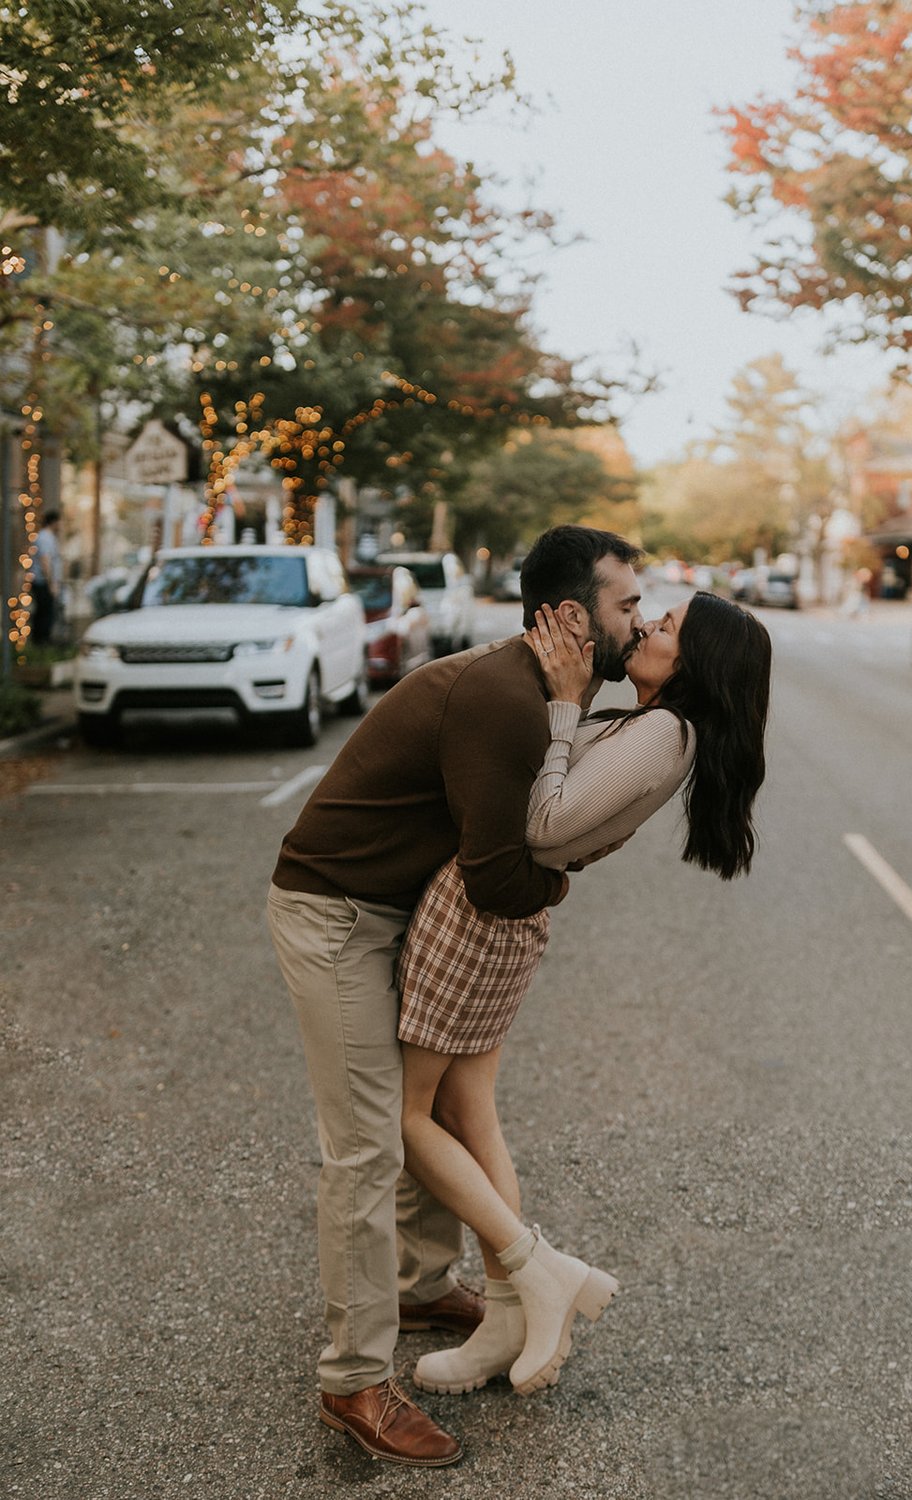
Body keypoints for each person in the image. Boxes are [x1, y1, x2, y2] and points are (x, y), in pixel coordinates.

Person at [267, 525, 644, 1467]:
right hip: (340, 912)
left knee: (422, 1107)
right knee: (366, 1142)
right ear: (570, 618)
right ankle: (354, 1382)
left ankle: (423, 1283)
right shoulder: (502, 700)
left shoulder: (542, 693)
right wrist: (557, 881)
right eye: (627, 605)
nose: (642, 621)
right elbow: (500, 881)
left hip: (392, 905)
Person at [397, 588, 772, 1399]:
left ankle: (539, 1271)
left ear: (694, 662)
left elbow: (542, 824)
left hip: (476, 917)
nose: (646, 626)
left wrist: (565, 705)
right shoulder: (653, 724)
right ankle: (505, 1318)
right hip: (500, 917)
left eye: (667, 627)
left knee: (401, 1116)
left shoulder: (666, 732)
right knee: (468, 1113)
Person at [28, 509, 63, 646]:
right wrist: (51, 583)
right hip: (43, 583)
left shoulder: (49, 537)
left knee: (46, 612)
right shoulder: (44, 538)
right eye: (60, 522)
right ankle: (41, 642)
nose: (61, 525)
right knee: (44, 613)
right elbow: (45, 561)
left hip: (45, 582)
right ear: (53, 522)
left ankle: (42, 641)